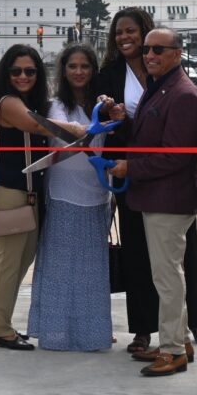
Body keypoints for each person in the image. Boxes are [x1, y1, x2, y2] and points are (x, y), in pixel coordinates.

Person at [97, 8, 197, 355]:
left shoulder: (174, 86)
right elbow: (138, 132)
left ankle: (185, 335)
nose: (126, 39)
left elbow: (175, 151)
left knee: (175, 262)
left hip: (160, 183)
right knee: (147, 259)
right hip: (135, 177)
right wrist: (114, 116)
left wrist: (130, 166)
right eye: (119, 33)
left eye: (132, 31)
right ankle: (152, 332)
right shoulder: (120, 76)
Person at [0, 44, 86, 351]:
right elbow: (35, 124)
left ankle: (0, 324)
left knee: (20, 259)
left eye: (30, 71)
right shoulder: (8, 101)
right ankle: (0, 329)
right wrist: (77, 129)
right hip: (9, 191)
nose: (23, 76)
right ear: (6, 73)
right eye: (16, 71)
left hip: (27, 192)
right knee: (9, 261)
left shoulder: (28, 100)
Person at [28, 44, 122, 351]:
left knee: (92, 271)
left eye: (85, 66)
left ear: (93, 70)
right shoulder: (53, 106)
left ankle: (93, 333)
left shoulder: (104, 106)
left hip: (97, 196)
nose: (79, 72)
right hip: (61, 196)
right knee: (59, 268)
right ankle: (56, 333)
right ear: (64, 71)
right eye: (72, 66)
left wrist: (114, 112)